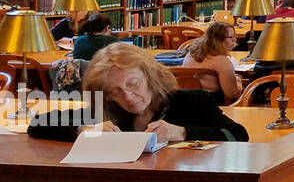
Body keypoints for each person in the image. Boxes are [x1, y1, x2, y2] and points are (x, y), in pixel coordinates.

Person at [29, 43, 249, 142]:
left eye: (133, 83)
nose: (127, 97)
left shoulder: (192, 101)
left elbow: (238, 135)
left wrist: (183, 132)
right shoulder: (107, 109)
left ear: (149, 75)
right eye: (114, 91)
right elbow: (37, 124)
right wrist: (85, 130)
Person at [181, 21, 244, 103]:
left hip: (187, 101)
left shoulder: (192, 53)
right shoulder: (222, 61)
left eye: (235, 36)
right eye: (231, 37)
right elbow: (231, 94)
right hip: (211, 104)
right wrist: (239, 80)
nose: (235, 39)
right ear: (218, 40)